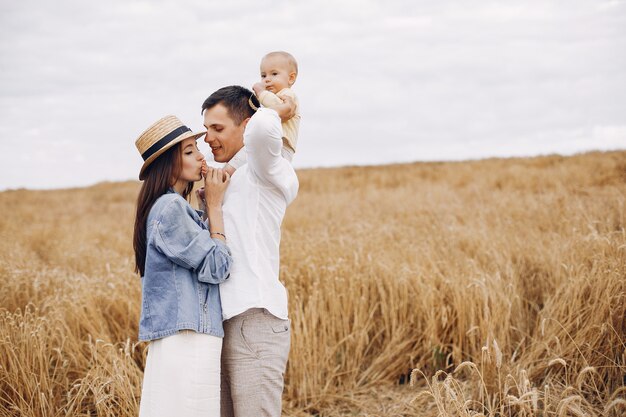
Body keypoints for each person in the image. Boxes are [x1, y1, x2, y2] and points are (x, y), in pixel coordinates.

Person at [200, 86, 298, 417]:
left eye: (218, 128)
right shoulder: (233, 175)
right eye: (206, 130)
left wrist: (275, 109)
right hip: (225, 320)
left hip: (255, 318)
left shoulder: (264, 169)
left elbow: (263, 131)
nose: (208, 139)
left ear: (246, 124)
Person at [132, 115, 232, 417]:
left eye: (196, 148)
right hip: (189, 333)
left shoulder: (171, 206)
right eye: (189, 151)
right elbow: (216, 266)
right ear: (168, 164)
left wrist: (203, 210)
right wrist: (214, 207)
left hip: (183, 331)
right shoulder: (171, 207)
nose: (201, 155)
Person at [224, 51, 301, 175]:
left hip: (281, 146)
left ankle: (223, 176)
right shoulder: (272, 97)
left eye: (274, 74)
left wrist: (261, 93)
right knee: (248, 167)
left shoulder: (287, 94)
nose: (267, 80)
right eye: (263, 76)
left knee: (245, 155)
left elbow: (277, 106)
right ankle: (223, 179)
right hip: (273, 144)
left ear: (291, 78)